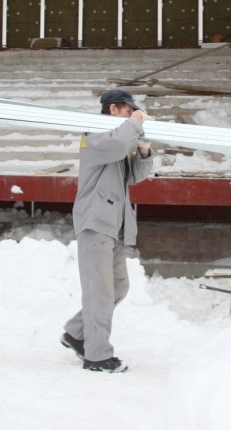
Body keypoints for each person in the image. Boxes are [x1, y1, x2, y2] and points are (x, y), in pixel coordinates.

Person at [60, 89, 154, 373]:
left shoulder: (117, 140)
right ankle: (97, 356)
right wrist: (135, 124)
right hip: (96, 223)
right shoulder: (95, 135)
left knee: (118, 287)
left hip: (114, 225)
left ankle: (77, 333)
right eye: (128, 110)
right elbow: (116, 144)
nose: (132, 114)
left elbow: (135, 176)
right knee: (100, 292)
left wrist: (144, 151)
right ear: (113, 109)